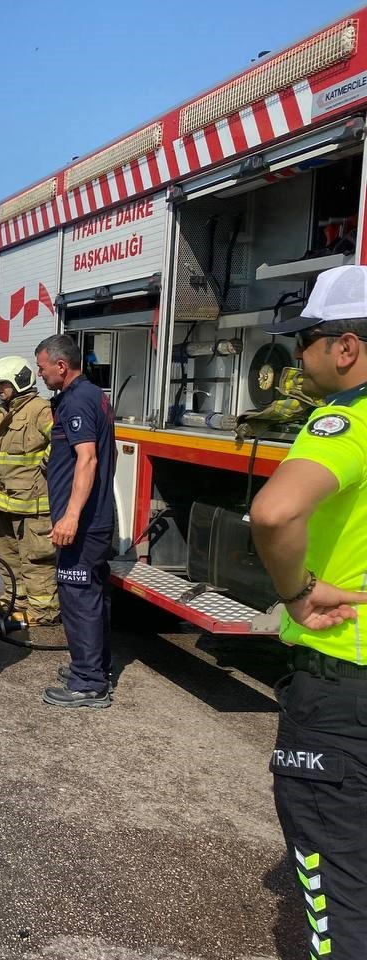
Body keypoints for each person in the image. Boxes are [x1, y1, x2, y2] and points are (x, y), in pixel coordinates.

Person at [249, 264, 367, 957]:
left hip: (345, 687)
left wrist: (297, 593)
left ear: (345, 346)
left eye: (307, 341)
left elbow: (275, 512)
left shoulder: (345, 419)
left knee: (341, 898)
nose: (298, 357)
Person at [34, 334, 116, 708]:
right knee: (93, 595)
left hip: (83, 523)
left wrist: (69, 518)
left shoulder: (79, 400)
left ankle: (88, 683)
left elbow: (88, 459)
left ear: (61, 366)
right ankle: (94, 667)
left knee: (79, 596)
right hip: (93, 519)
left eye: (43, 367)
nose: (40, 374)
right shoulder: (88, 394)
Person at [0, 355, 58, 626]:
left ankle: (43, 610)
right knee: (8, 552)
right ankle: (17, 599)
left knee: (35, 557)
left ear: (19, 382)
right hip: (6, 500)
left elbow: (59, 441)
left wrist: (43, 470)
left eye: (2, 384)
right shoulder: (6, 410)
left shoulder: (40, 409)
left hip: (32, 503)